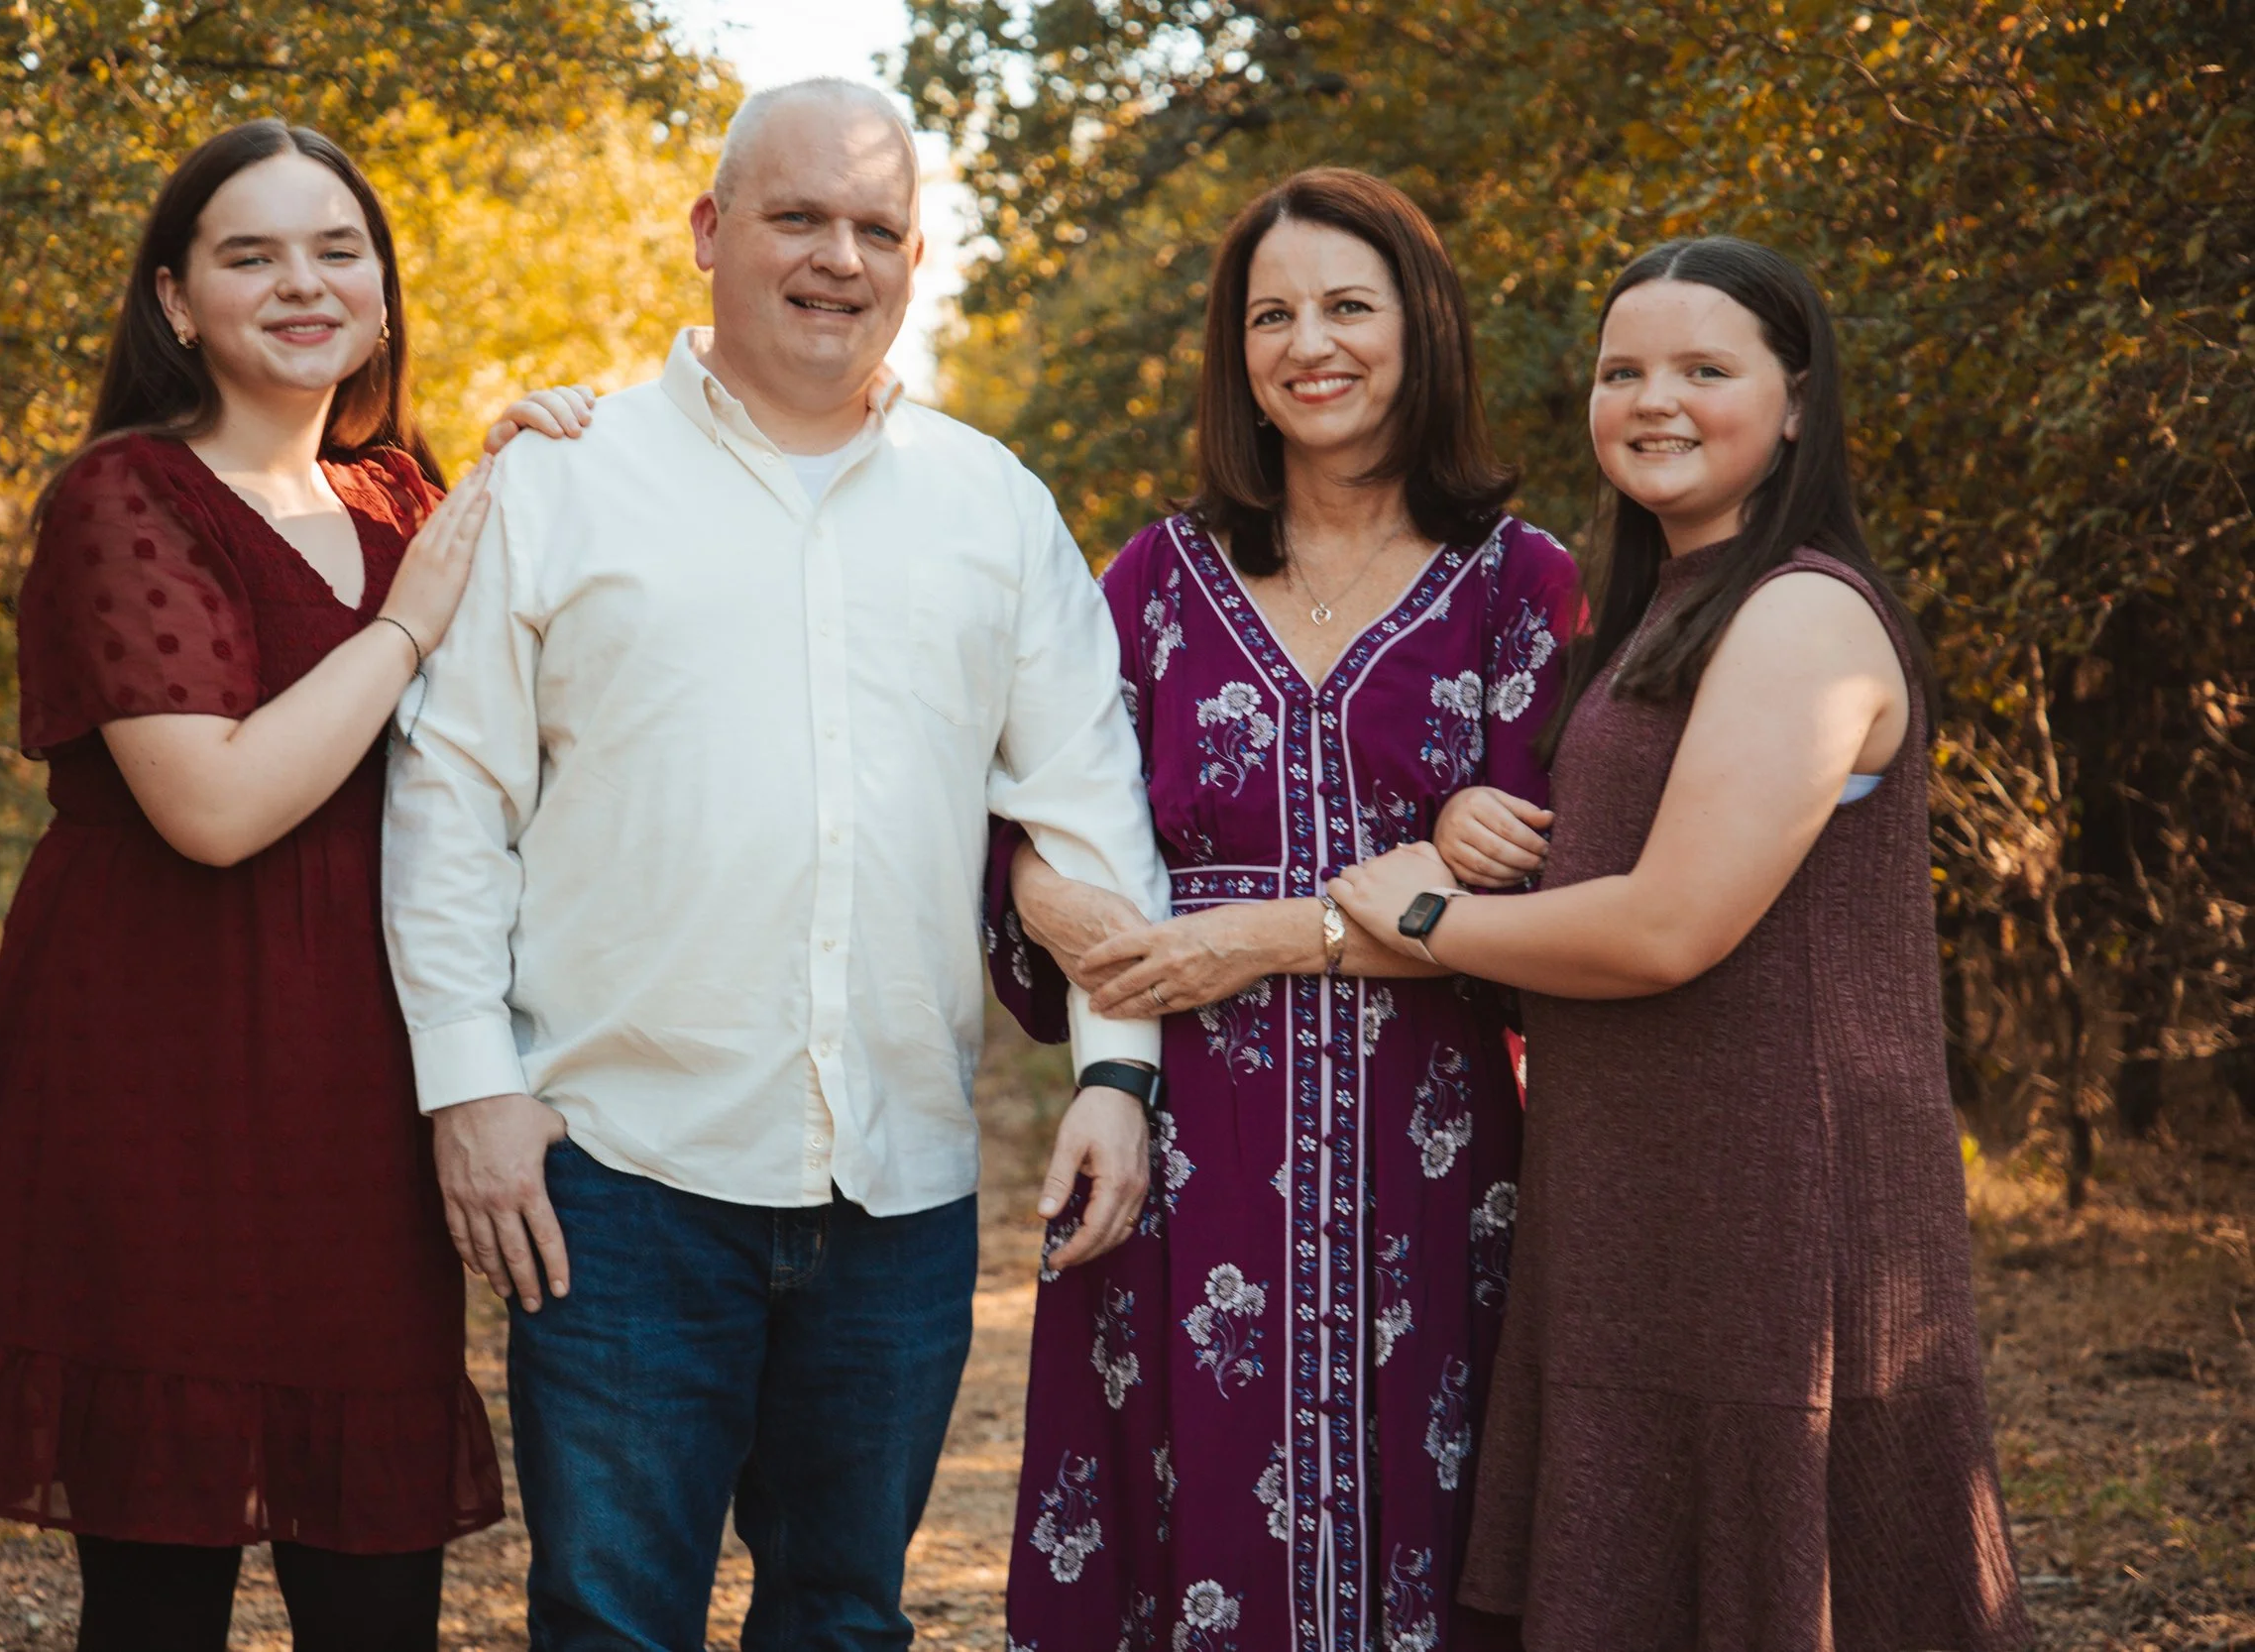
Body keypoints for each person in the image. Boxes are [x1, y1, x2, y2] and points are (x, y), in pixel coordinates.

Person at [378, 78, 1168, 1650]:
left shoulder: (990, 505)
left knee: (844, 1619)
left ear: (916, 256)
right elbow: (451, 792)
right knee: (612, 1620)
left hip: (899, 1178)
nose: (837, 259)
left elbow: (1088, 806)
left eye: (876, 228)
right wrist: (470, 1086)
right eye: (798, 217)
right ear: (709, 231)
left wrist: (1118, 1069)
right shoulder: (562, 476)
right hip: (618, 1177)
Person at [0, 118, 593, 1651]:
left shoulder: (408, 499)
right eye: (251, 253)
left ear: (382, 288)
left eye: (337, 248)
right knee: (160, 1583)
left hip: (358, 1076)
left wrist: (548, 458)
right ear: (175, 301)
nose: (305, 282)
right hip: (158, 1070)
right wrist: (407, 629)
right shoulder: (125, 500)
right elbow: (213, 805)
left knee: (378, 1571)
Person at [1329, 235, 2032, 1650]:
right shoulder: (1674, 605)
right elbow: (1625, 839)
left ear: (1795, 405)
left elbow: (1669, 924)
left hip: (1774, 1207)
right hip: (1649, 1195)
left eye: (1706, 368)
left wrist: (1414, 911)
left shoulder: (1804, 612)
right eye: (1622, 370)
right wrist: (1482, 814)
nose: (1653, 399)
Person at [987, 168, 1581, 1652]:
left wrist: (1265, 931)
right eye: (1271, 315)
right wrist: (1058, 905)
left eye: (1347, 306)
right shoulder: (1156, 582)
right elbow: (1035, 834)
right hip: (1185, 1147)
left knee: (1426, 1541)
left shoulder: (1522, 586)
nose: (1309, 342)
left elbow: (1555, 896)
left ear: (1421, 329)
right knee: (1187, 1533)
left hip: (1433, 1166)